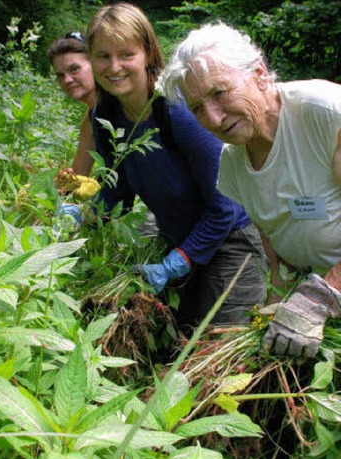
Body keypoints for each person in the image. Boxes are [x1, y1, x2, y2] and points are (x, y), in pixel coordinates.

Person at [158, 22, 341, 358]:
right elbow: (278, 258)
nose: (213, 118)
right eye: (197, 108)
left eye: (220, 93)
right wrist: (270, 320)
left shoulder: (324, 112)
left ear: (259, 73)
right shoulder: (233, 166)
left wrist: (325, 293)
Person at [82, 3, 268, 328]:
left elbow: (225, 205)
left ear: (148, 54)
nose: (114, 67)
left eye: (126, 54)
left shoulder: (176, 112)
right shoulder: (104, 117)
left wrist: (176, 263)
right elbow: (118, 190)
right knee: (173, 340)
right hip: (179, 240)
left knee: (220, 350)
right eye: (103, 56)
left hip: (231, 239)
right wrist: (83, 219)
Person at [47, 32, 97, 177]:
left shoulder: (125, 104)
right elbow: (78, 177)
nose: (67, 80)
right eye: (60, 75)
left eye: (74, 69)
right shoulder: (90, 121)